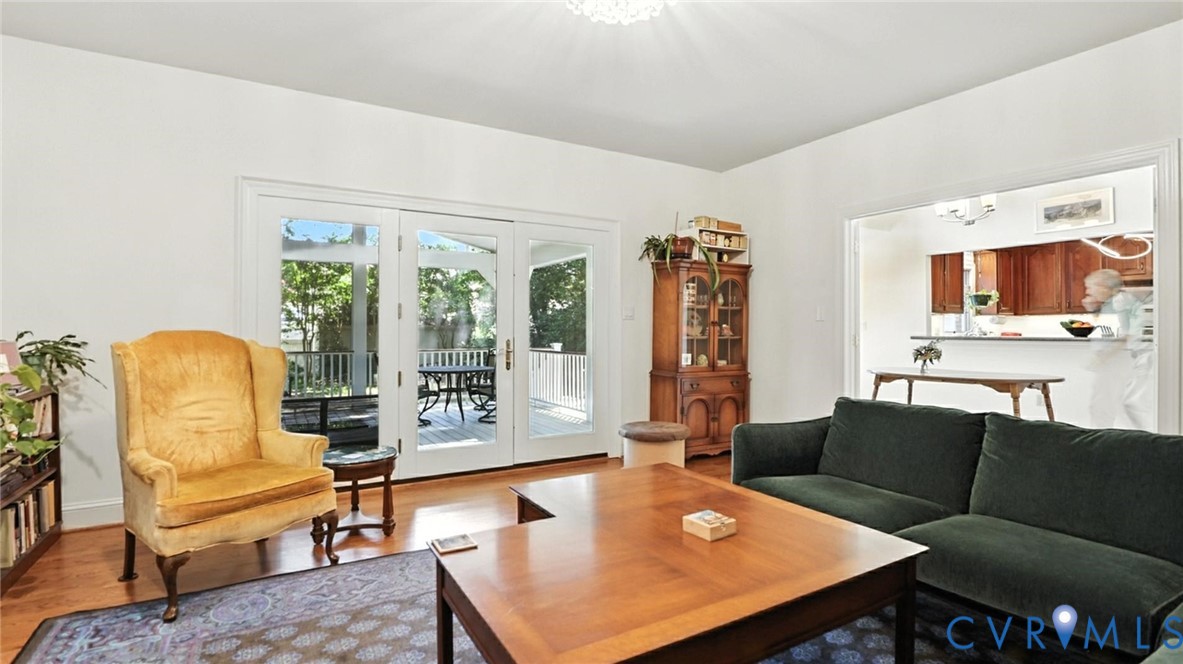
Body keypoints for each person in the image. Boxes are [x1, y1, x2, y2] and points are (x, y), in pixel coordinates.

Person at [1081, 269, 1155, 430]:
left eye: (1090, 287)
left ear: (1103, 286)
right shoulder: (1111, 303)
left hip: (1117, 362)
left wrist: (1103, 358)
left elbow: (1124, 336)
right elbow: (1108, 333)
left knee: (1104, 407)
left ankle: (1102, 443)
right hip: (1116, 362)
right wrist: (1094, 311)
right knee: (1108, 407)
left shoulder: (1120, 302)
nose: (1088, 291)